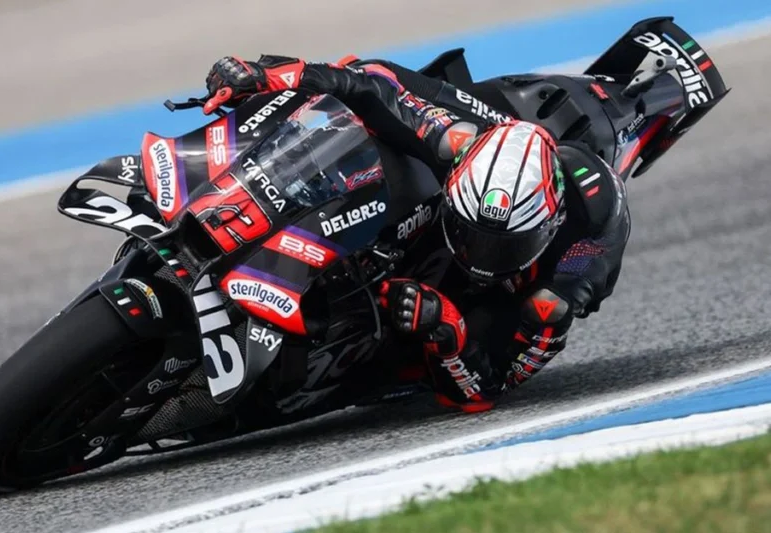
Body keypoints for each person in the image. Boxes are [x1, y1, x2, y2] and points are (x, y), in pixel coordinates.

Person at [202, 54, 631, 412]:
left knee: (436, 346)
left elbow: (489, 387)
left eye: (502, 247)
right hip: (489, 133)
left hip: (497, 294)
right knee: (358, 109)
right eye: (472, 234)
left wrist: (446, 331)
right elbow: (369, 82)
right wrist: (268, 74)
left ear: (547, 226)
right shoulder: (456, 143)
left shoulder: (572, 269)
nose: (480, 256)